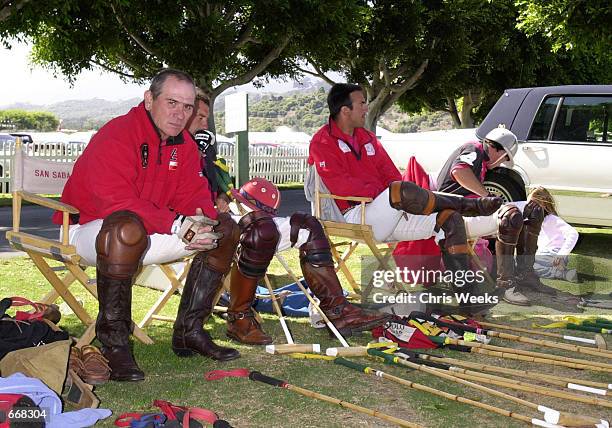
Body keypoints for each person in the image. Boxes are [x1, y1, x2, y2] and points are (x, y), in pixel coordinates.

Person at [53, 69, 242, 382]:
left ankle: (189, 331)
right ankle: (114, 344)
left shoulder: (185, 145)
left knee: (224, 229)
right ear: (149, 99)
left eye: (187, 106)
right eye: (171, 102)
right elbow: (114, 201)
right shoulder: (118, 133)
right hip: (91, 229)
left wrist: (203, 221)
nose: (180, 113)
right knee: (125, 228)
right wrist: (178, 223)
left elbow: (193, 197)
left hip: (150, 229)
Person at [308, 83, 544, 308]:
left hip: (388, 211)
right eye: (362, 103)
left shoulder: (367, 138)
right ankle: (467, 205)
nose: (367, 108)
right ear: (345, 110)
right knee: (399, 190)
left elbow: (389, 173)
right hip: (353, 214)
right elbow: (342, 186)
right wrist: (389, 195)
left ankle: (467, 298)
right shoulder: (321, 142)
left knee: (450, 219)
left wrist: (396, 198)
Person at [221, 177, 391, 344]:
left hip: (250, 221)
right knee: (261, 232)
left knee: (308, 225)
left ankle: (338, 312)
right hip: (220, 227)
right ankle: (238, 319)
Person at [436, 127, 518, 197]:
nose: (500, 163)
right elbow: (459, 171)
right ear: (500, 151)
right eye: (505, 158)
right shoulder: (475, 149)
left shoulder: (481, 159)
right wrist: (486, 195)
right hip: (449, 203)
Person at [186, 91, 231, 213]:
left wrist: (222, 198)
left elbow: (218, 184)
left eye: (207, 119)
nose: (205, 125)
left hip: (208, 217)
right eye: (200, 117)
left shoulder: (208, 148)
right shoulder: (167, 149)